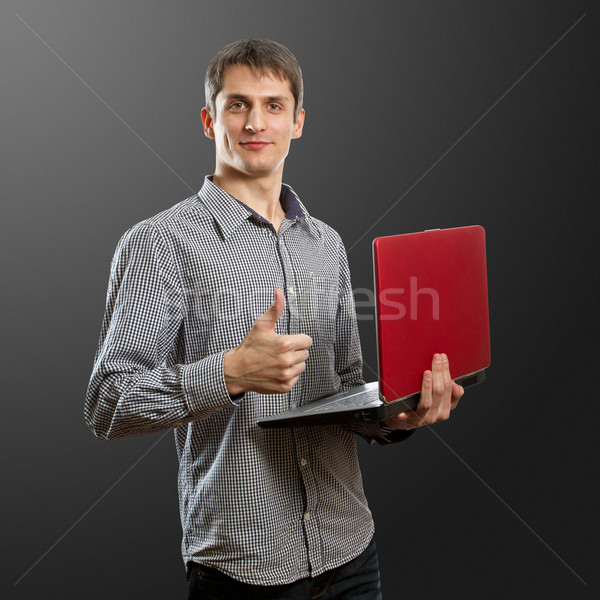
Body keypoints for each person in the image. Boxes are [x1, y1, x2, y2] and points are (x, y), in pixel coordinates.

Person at [85, 38, 464, 599]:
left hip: (350, 549)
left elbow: (341, 394)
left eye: (273, 105)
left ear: (298, 122)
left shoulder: (327, 244)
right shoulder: (159, 244)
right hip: (243, 566)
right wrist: (230, 374)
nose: (255, 122)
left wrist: (397, 418)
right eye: (237, 104)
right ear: (210, 121)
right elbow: (108, 403)